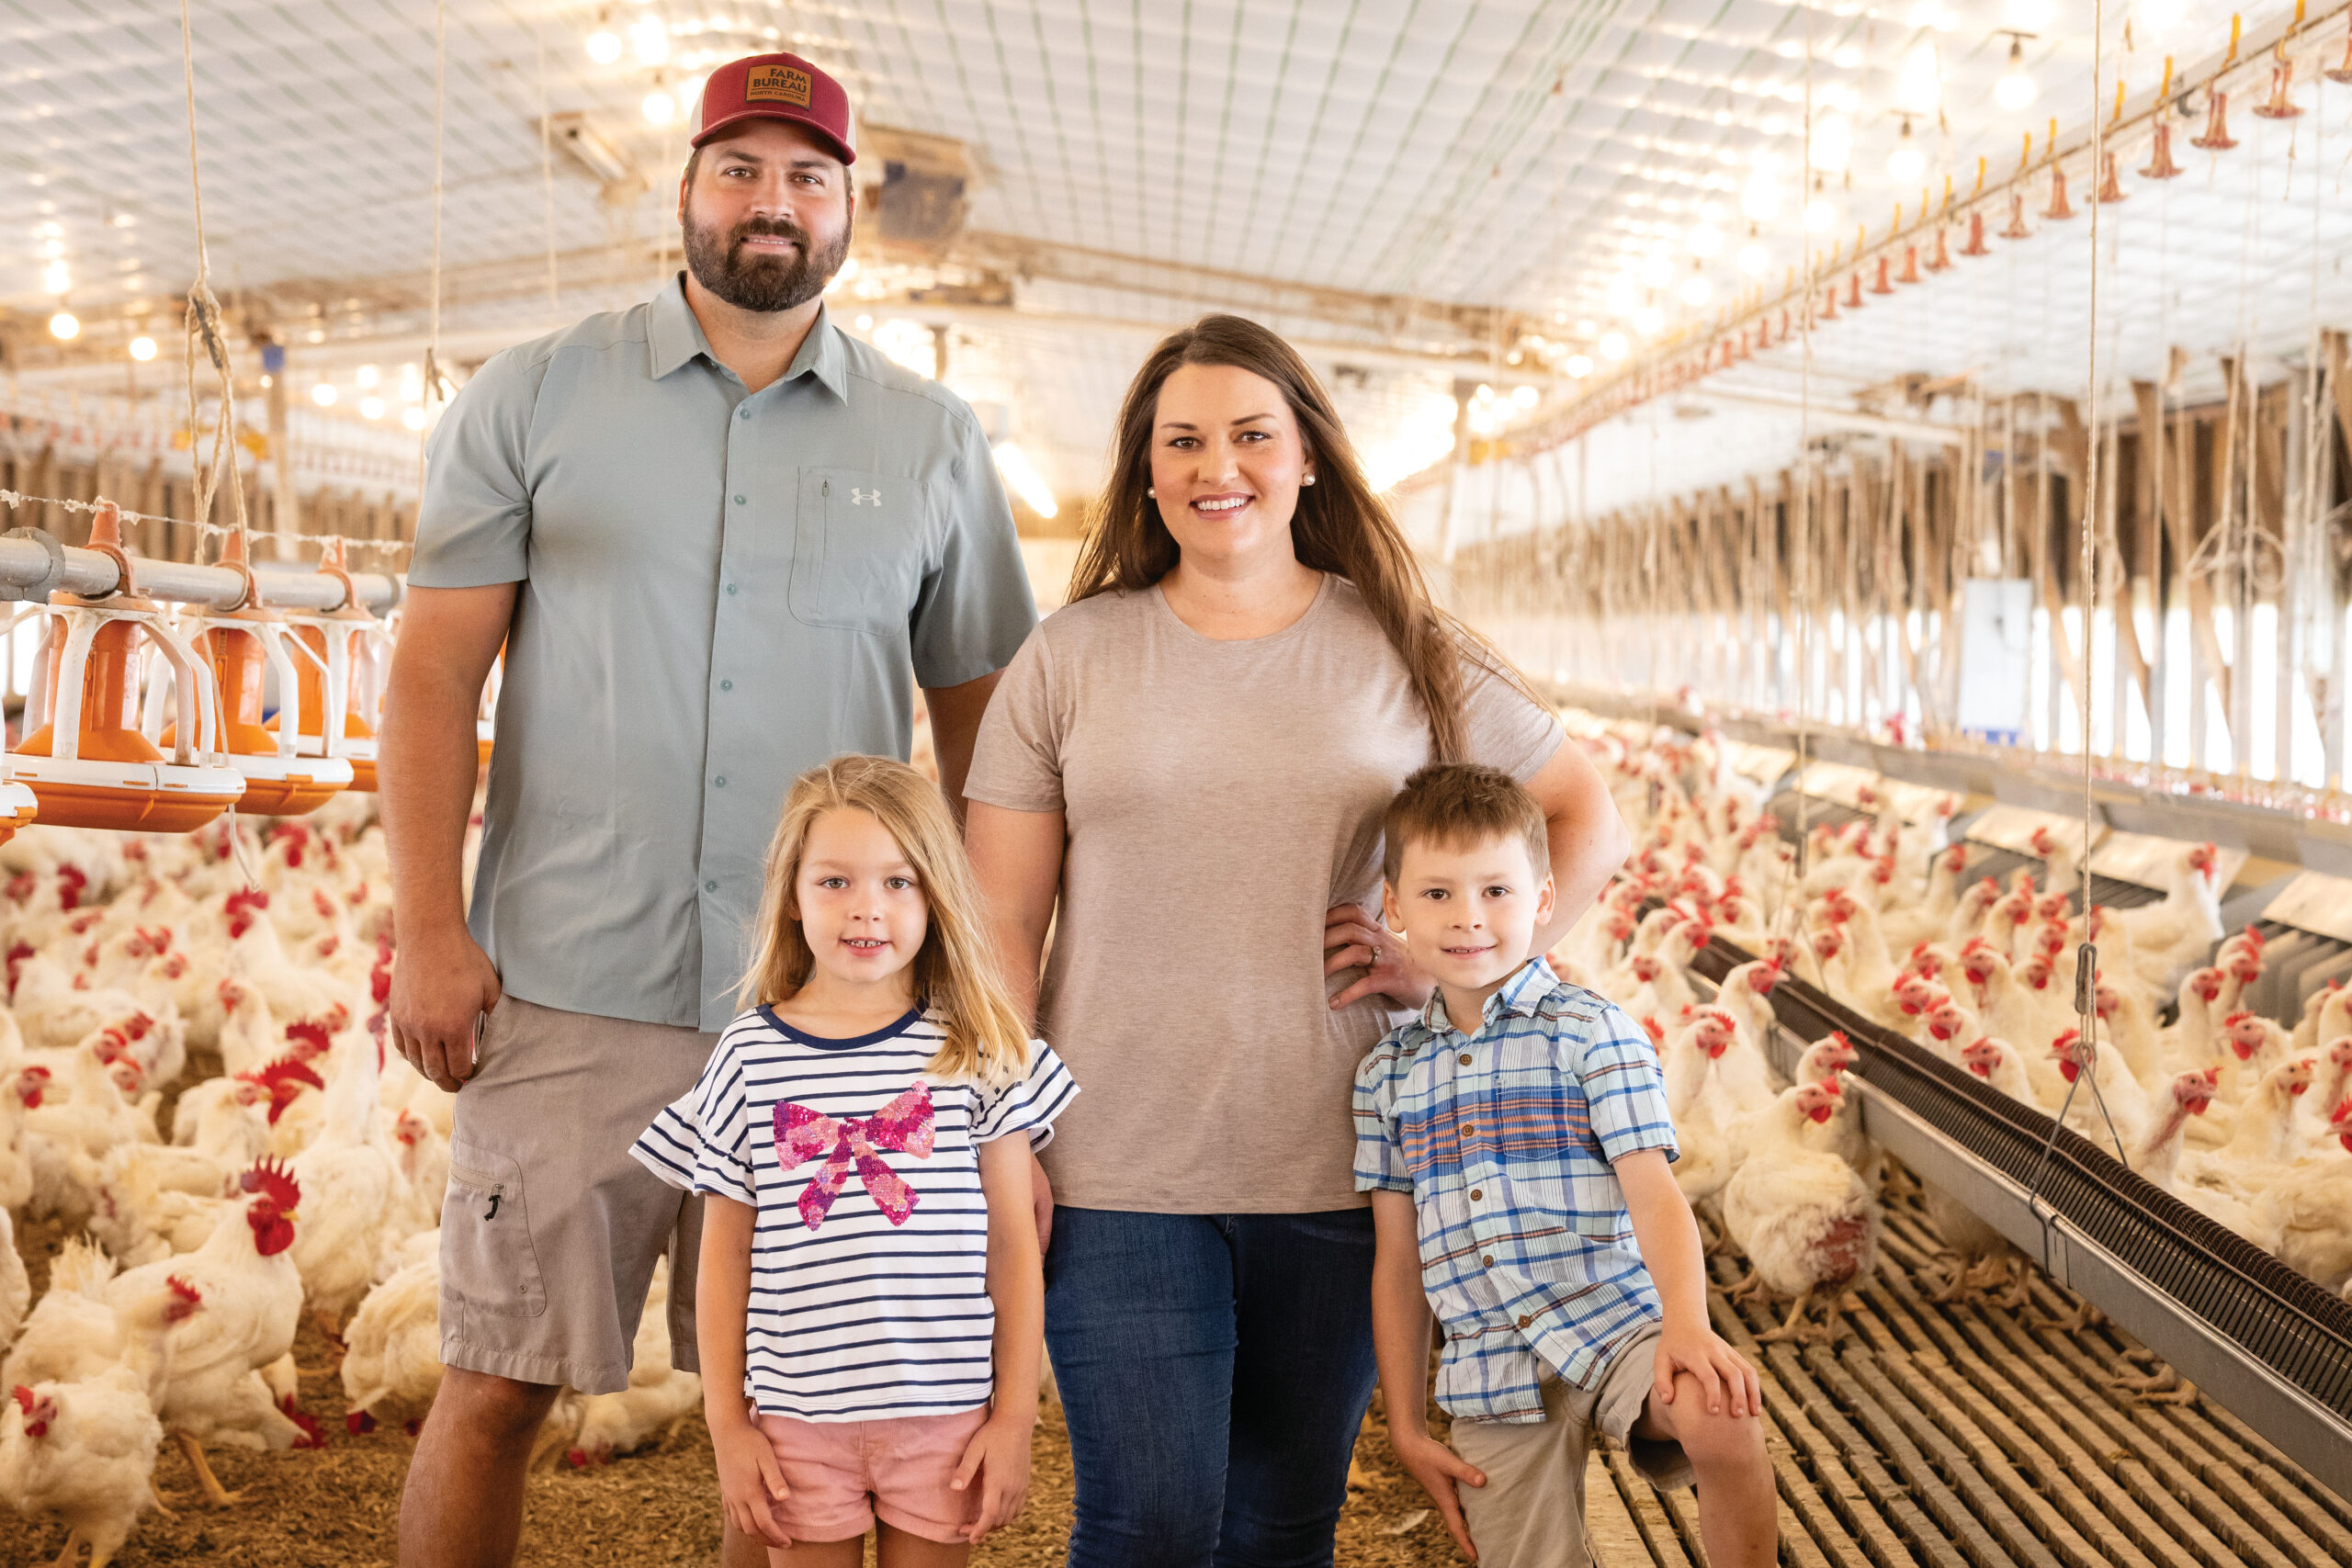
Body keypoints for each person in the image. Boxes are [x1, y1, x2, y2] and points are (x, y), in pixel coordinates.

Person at [380, 51, 1038, 1568]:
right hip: (569, 983)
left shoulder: (931, 439)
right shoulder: (535, 393)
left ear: (850, 209)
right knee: (495, 1382)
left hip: (834, 1015)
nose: (771, 201)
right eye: (739, 168)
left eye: (807, 176)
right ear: (683, 189)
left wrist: (988, 968)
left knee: (799, 1412)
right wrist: (427, 926)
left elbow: (988, 729)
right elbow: (431, 676)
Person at [961, 314, 1633, 1567]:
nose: (1219, 466)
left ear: (1308, 456)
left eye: (1252, 434)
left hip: (1342, 1154)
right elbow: (1000, 917)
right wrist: (1005, 1128)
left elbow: (1583, 812)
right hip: (1114, 1163)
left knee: (1281, 1523)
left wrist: (1457, 963)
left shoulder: (1404, 642)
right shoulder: (1071, 656)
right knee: (1148, 1520)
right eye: (1183, 440)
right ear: (1146, 470)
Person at [633, 754, 1076, 1566]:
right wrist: (728, 1425)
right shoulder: (748, 1057)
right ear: (791, 894)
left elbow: (1015, 1244)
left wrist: (1016, 1417)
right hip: (798, 1420)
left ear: (936, 895)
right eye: (834, 881)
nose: (867, 907)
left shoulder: (977, 1046)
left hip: (946, 1415)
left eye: (898, 882)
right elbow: (722, 1256)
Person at [1355, 763, 1775, 1568]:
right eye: (1438, 893)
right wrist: (1405, 1424)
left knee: (1721, 1414)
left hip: (1612, 1323)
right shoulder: (1388, 1077)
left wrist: (1687, 1324)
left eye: (1497, 890)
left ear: (1544, 897)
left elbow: (1654, 1195)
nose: (1469, 916)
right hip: (1490, 1370)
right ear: (1394, 906)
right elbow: (1398, 1261)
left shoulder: (1591, 1032)